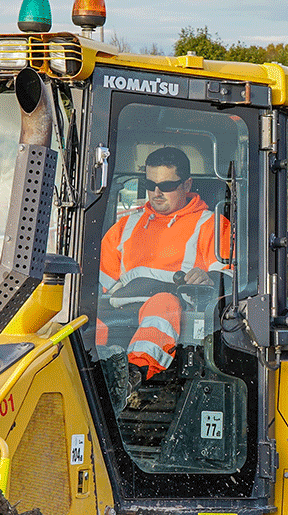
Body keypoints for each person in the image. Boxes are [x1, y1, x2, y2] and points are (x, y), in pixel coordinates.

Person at [97, 146, 231, 380]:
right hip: (120, 303)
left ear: (187, 185)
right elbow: (99, 280)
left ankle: (132, 376)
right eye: (150, 185)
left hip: (176, 306)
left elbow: (229, 279)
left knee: (161, 305)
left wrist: (208, 277)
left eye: (167, 186)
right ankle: (90, 374)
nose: (156, 193)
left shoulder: (212, 225)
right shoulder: (125, 226)